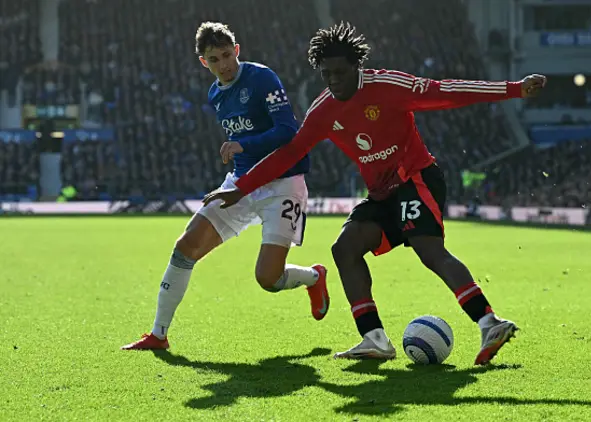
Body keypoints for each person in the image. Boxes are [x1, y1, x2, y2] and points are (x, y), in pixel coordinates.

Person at [206, 22, 546, 365]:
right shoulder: (323, 110)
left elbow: (448, 91)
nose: (333, 81)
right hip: (382, 195)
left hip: (416, 178)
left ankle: (489, 322)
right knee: (345, 247)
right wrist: (242, 188)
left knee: (428, 250)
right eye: (326, 74)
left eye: (340, 72)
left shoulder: (388, 86)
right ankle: (374, 338)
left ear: (357, 67)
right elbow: (289, 153)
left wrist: (515, 89)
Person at [122, 22, 329, 350]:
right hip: (239, 185)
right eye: (214, 59)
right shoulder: (215, 94)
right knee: (185, 246)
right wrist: (241, 156)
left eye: (227, 54)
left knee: (268, 279)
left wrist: (243, 146)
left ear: (237, 50)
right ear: (204, 63)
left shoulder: (262, 78)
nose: (224, 64)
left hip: (283, 184)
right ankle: (158, 335)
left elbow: (289, 131)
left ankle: (315, 277)